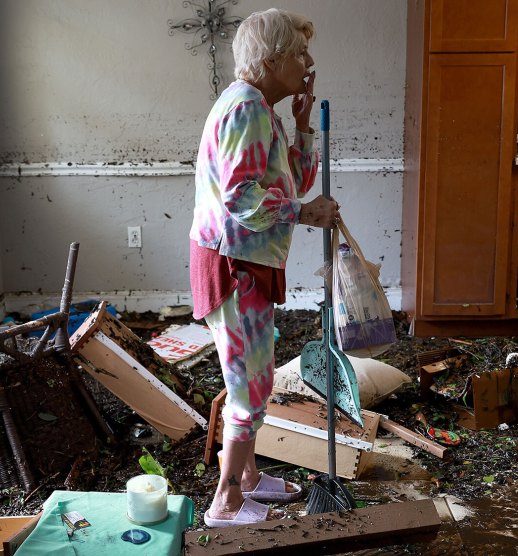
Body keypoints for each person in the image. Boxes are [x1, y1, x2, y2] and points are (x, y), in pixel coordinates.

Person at [189, 8, 339, 527]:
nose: (309, 61)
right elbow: (240, 198)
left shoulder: (261, 108)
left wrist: (303, 131)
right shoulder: (246, 108)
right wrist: (303, 212)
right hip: (235, 266)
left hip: (246, 262)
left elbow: (288, 183)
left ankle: (249, 480)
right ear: (271, 60)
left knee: (255, 380)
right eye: (299, 52)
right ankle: (225, 504)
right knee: (249, 389)